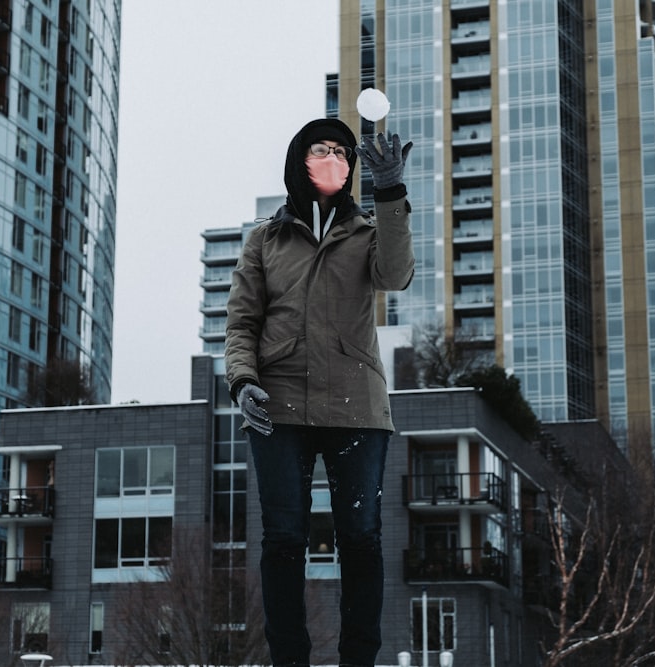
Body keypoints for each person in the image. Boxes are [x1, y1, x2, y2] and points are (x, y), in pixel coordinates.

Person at [225, 117, 415, 667]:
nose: (332, 158)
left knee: (361, 538)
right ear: (299, 160)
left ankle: (359, 660)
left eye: (341, 151)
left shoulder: (367, 231)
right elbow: (241, 324)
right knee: (283, 540)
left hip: (356, 407)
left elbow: (397, 274)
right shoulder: (265, 239)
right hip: (278, 406)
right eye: (320, 149)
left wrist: (391, 192)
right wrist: (243, 381)